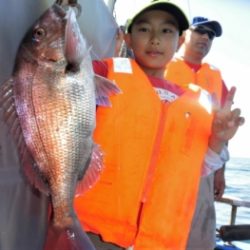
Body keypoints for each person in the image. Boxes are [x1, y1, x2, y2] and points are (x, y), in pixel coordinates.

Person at [74, 1, 244, 249]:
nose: (155, 39)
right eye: (144, 29)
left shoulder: (197, 102)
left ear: (180, 39)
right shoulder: (103, 74)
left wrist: (218, 139)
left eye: (166, 31)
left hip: (160, 241)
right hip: (93, 234)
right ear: (128, 38)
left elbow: (197, 167)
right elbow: (61, 75)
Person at [165, 16, 229, 249]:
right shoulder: (162, 64)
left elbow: (223, 128)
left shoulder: (216, 78)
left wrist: (220, 172)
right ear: (184, 34)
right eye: (200, 31)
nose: (206, 37)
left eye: (211, 35)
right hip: (163, 163)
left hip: (203, 167)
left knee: (199, 232)